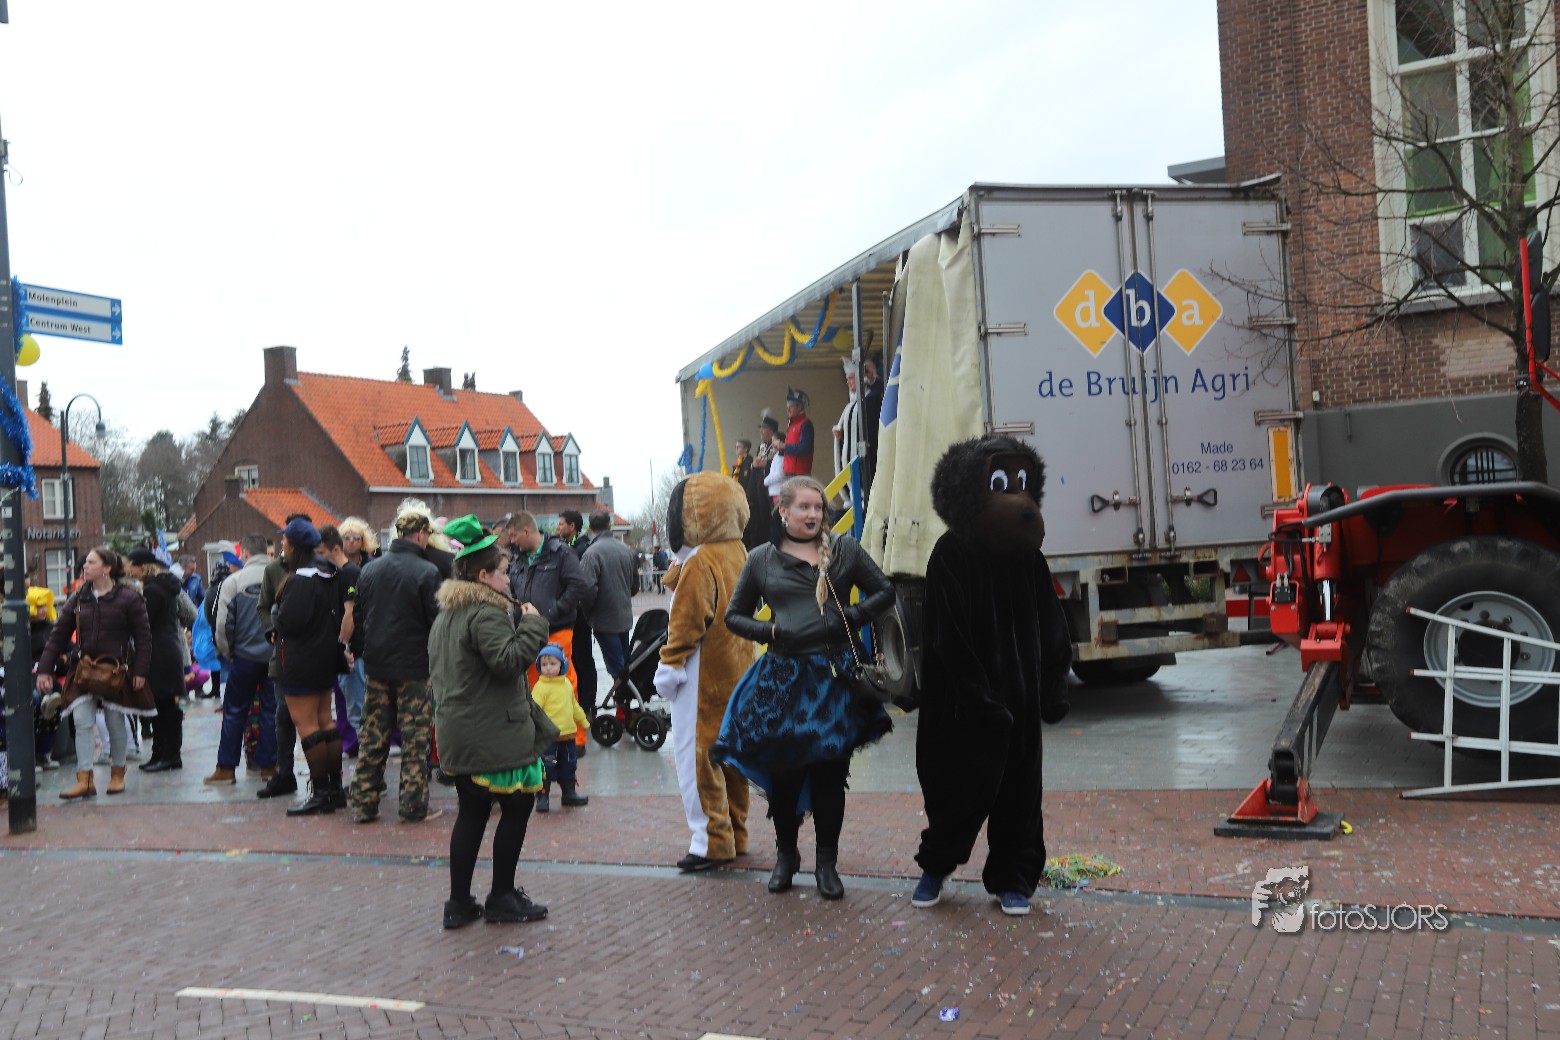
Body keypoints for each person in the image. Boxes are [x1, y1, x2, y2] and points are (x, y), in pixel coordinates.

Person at [911, 436, 1073, 916]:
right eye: (1002, 483)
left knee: (1020, 798)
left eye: (1022, 483)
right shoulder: (950, 554)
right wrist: (975, 694)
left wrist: (1053, 683)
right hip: (962, 706)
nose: (1017, 497)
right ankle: (936, 865)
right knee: (955, 792)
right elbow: (946, 635)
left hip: (1018, 706)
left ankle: (1013, 877)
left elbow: (1052, 624)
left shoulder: (1029, 559)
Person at [712, 475, 894, 900]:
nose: (813, 514)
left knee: (831, 774)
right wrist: (770, 631)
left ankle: (826, 864)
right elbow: (734, 616)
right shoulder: (761, 558)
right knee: (785, 776)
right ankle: (786, 856)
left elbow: (884, 591)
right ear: (783, 511)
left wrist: (850, 618)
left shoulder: (845, 550)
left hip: (833, 677)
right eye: (804, 507)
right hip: (782, 679)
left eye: (819, 508)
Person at [428, 515, 555, 929]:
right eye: (502, 572)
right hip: (492, 733)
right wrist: (533, 626)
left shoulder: (447, 614)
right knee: (517, 805)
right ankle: (501, 896)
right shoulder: (486, 612)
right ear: (482, 576)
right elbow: (507, 662)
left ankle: (458, 903)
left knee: (472, 812)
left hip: (459, 730)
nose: (508, 579)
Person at [653, 471, 753, 872]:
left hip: (701, 675)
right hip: (737, 668)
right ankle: (736, 833)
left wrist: (669, 665)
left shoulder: (701, 561)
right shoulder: (737, 551)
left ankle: (710, 840)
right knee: (731, 758)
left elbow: (687, 622)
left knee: (699, 759)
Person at [36, 547, 154, 799]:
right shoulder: (79, 597)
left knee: (114, 721)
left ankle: (118, 773)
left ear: (107, 568)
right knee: (81, 721)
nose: (84, 567)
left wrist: (141, 671)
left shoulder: (130, 597)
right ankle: (85, 779)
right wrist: (44, 670)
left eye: (91, 562)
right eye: (85, 563)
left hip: (117, 670)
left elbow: (144, 637)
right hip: (83, 669)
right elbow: (57, 635)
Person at [350, 504, 442, 824]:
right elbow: (436, 622)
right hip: (414, 669)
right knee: (415, 739)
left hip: (377, 666)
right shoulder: (427, 572)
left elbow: (359, 616)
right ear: (420, 535)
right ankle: (413, 805)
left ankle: (363, 803)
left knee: (373, 736)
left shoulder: (370, 570)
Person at [270, 518, 347, 816]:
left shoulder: (300, 579)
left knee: (307, 725)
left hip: (300, 660)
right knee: (326, 721)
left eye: (285, 541)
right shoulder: (329, 572)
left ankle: (321, 791)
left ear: (294, 546)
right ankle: (334, 790)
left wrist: (276, 614)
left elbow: (290, 621)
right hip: (324, 656)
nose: (282, 545)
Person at [208, 534, 277, 784]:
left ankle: (226, 769)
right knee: (271, 712)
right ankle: (269, 767)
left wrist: (230, 652)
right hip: (274, 658)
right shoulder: (282, 579)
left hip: (244, 658)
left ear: (245, 553)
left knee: (234, 712)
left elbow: (222, 626)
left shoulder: (232, 582)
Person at [507, 511, 590, 716]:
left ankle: (571, 731)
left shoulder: (561, 552)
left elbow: (579, 585)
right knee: (535, 687)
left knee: (561, 684)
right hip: (527, 632)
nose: (512, 541)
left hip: (556, 630)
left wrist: (554, 611)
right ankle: (539, 730)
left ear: (526, 531)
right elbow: (513, 590)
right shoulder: (516, 558)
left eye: (514, 536)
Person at [256, 512, 311, 801]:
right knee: (283, 715)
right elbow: (263, 606)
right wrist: (271, 630)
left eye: (287, 538)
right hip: (283, 654)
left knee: (315, 718)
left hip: (313, 655)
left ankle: (322, 777)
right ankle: (285, 773)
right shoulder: (273, 570)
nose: (282, 542)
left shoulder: (319, 568)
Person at [128, 549, 189, 773]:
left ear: (143, 566)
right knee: (164, 705)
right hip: (168, 648)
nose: (130, 570)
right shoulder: (165, 586)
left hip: (159, 652)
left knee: (163, 707)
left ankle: (169, 755)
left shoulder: (152, 590)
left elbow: (144, 622)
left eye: (133, 565)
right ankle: (162, 754)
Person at [335, 516, 379, 752]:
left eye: (356, 537)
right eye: (346, 537)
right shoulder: (335, 569)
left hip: (368, 639)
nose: (351, 541)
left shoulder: (371, 566)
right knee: (346, 697)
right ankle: (352, 742)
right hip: (348, 641)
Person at [530, 643, 590, 813]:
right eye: (544, 664)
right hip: (549, 738)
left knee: (569, 765)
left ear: (562, 665)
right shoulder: (541, 687)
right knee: (546, 767)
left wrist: (583, 722)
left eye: (552, 663)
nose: (548, 668)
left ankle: (569, 792)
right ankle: (543, 796)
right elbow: (534, 710)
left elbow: (574, 706)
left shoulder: (566, 685)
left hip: (568, 736)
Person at [581, 511, 637, 683]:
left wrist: (588, 612)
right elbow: (635, 586)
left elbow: (587, 589)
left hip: (603, 620)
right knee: (624, 664)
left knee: (617, 669)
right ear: (609, 526)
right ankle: (628, 696)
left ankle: (624, 696)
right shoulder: (626, 551)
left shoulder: (591, 553)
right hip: (624, 617)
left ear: (590, 527)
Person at [556, 510, 598, 720]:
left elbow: (582, 584)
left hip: (579, 616)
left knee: (582, 659)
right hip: (576, 614)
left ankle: (587, 703)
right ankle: (582, 700)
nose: (558, 528)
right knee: (577, 658)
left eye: (561, 524)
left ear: (572, 527)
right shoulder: (571, 547)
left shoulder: (580, 549)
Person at [744, 414, 782, 550]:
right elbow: (756, 467)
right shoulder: (761, 447)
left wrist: (765, 463)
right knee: (760, 520)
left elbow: (782, 463)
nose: (761, 431)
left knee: (773, 519)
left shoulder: (778, 446)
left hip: (773, 488)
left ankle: (774, 547)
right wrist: (754, 465)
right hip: (760, 487)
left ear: (771, 431)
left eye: (764, 428)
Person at [831, 362, 862, 508]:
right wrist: (841, 435)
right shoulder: (850, 405)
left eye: (851, 378)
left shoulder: (865, 401)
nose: (848, 382)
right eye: (847, 379)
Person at [780, 386, 815, 477]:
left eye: (791, 406)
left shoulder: (805, 424)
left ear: (799, 407)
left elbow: (805, 448)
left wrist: (783, 446)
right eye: (787, 407)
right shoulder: (792, 424)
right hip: (789, 471)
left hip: (799, 472)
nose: (788, 410)